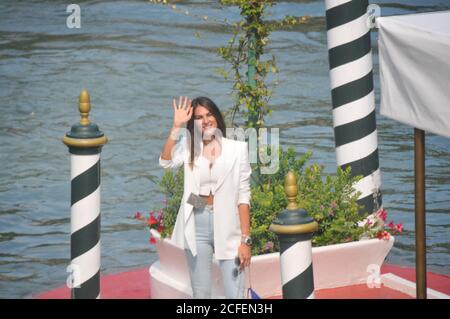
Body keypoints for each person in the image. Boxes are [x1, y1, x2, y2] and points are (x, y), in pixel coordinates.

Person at [159, 96, 252, 299]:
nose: (206, 120)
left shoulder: (237, 150)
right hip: (197, 225)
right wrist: (177, 126)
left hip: (228, 225)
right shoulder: (189, 146)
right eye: (199, 117)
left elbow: (243, 197)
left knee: (235, 294)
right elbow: (165, 162)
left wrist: (246, 240)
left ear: (217, 116)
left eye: (209, 114)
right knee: (201, 294)